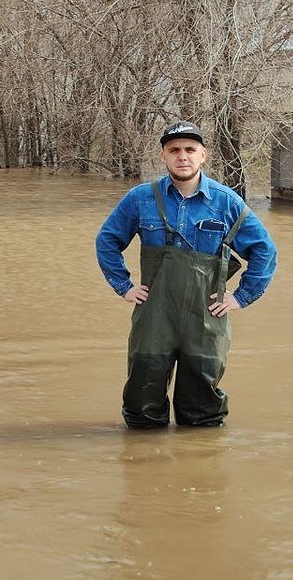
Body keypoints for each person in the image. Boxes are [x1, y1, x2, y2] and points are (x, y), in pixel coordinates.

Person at [95, 121, 277, 428]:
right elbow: (107, 241)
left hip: (205, 318)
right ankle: (144, 466)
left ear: (203, 155)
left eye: (190, 150)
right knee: (142, 405)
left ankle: (198, 467)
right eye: (174, 150)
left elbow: (264, 251)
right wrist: (124, 286)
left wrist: (241, 297)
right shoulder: (140, 198)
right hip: (154, 316)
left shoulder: (226, 202)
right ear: (164, 156)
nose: (183, 156)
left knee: (202, 413)